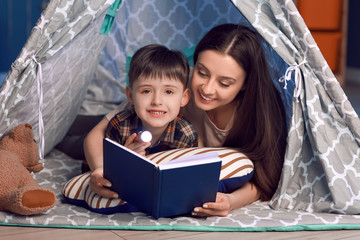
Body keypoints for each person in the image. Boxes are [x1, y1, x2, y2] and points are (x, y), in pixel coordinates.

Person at [84, 24, 288, 217]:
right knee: (78, 136)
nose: (207, 89)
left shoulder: (258, 113)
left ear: (245, 84)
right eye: (202, 72)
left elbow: (263, 178)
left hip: (165, 147)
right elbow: (98, 132)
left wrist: (231, 201)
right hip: (134, 133)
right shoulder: (176, 86)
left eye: (224, 83)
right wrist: (99, 170)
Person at [84, 44, 198, 198]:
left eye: (169, 91)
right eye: (146, 91)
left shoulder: (186, 134)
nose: (157, 101)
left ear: (184, 98)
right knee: (71, 143)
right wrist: (124, 159)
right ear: (130, 95)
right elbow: (109, 171)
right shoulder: (120, 125)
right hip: (90, 144)